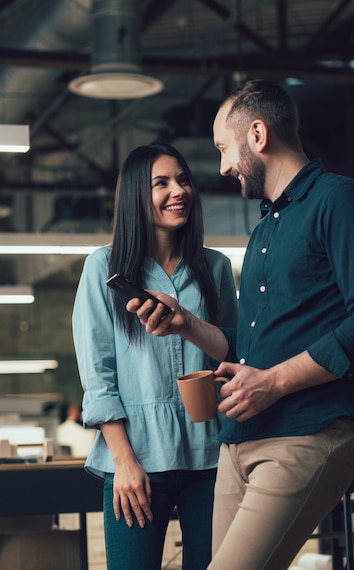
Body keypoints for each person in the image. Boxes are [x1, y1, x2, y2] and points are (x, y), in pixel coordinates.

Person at [127, 79, 354, 570]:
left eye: (222, 148)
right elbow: (254, 351)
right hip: (239, 440)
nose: (222, 166)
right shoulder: (262, 233)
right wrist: (186, 324)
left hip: (308, 432)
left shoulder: (341, 202)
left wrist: (272, 382)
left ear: (257, 136)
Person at [72, 143, 238, 570]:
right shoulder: (105, 268)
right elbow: (98, 376)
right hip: (137, 461)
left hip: (211, 458)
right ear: (134, 196)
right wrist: (124, 464)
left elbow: (235, 351)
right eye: (160, 183)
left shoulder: (214, 268)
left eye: (183, 180)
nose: (177, 190)